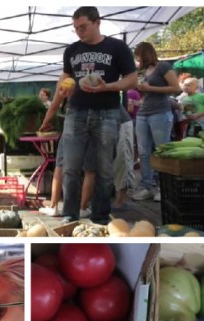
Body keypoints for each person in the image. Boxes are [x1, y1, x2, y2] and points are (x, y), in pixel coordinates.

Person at [50, 7, 138, 225]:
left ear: (98, 22)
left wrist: (108, 86)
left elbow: (132, 79)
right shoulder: (71, 50)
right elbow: (66, 76)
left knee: (104, 168)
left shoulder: (117, 47)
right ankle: (69, 215)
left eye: (83, 27)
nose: (79, 31)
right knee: (70, 166)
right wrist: (63, 89)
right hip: (76, 111)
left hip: (107, 112)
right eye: (76, 28)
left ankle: (100, 217)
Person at [131, 42, 180, 202]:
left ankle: (162, 186)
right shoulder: (144, 71)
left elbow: (175, 88)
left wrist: (150, 89)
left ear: (145, 54)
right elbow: (147, 92)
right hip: (143, 113)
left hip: (160, 112)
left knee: (161, 150)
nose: (137, 60)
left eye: (138, 56)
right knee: (143, 152)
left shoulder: (163, 67)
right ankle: (147, 186)